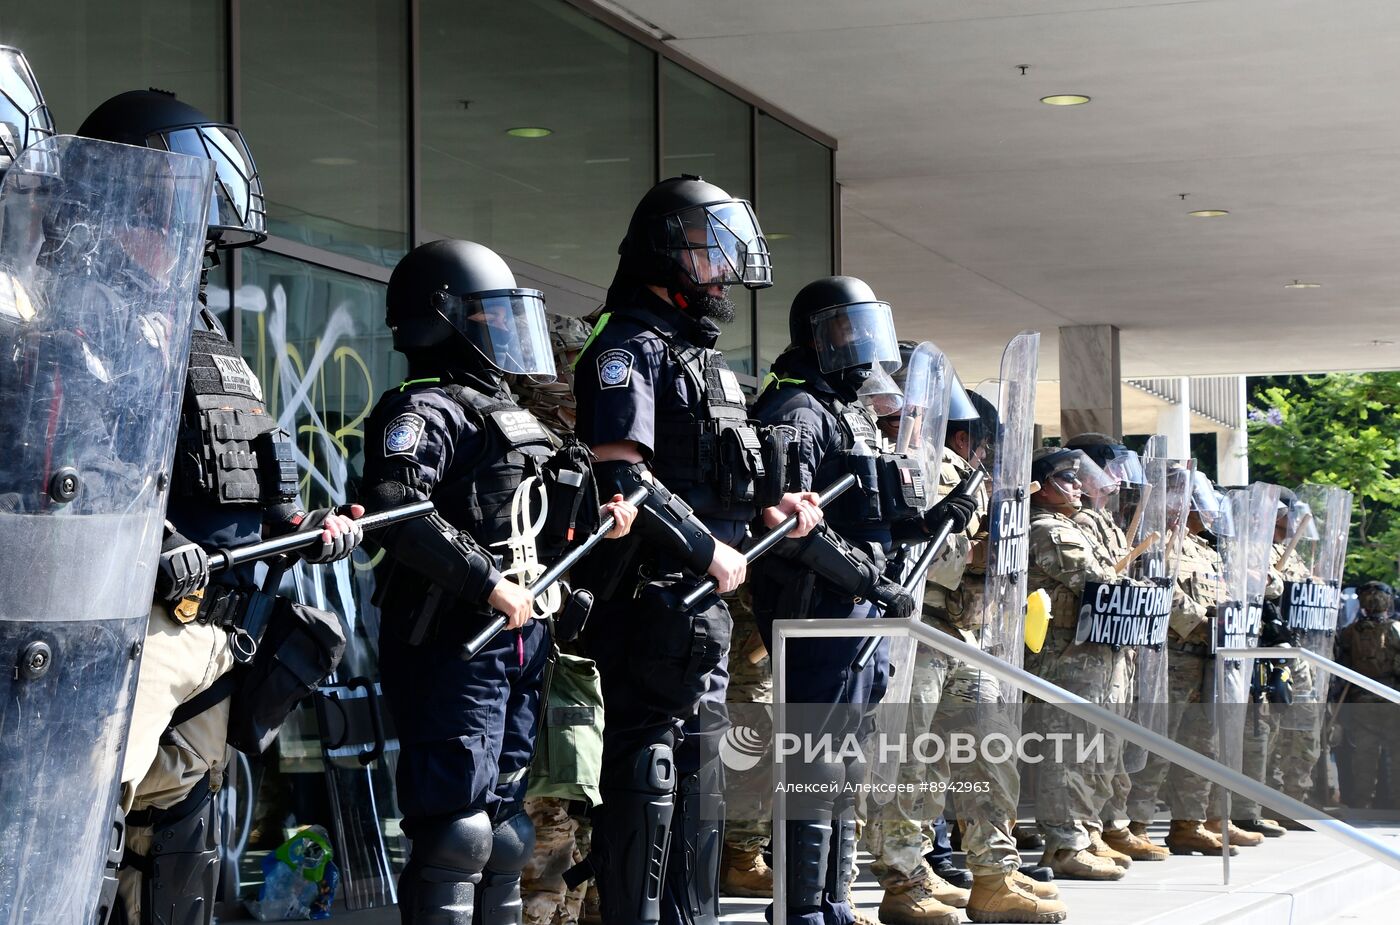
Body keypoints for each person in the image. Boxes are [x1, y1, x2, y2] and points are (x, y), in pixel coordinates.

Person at [77, 89, 367, 925]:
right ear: (129, 195)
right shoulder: (88, 311)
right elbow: (80, 460)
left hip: (221, 625)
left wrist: (308, 526)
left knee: (182, 835)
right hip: (138, 625)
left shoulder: (200, 329)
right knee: (93, 821)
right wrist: (159, 542)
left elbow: (259, 467)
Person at [359, 239, 638, 923]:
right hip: (455, 638)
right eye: (488, 318)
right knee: (458, 827)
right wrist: (489, 582)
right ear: (445, 317)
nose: (503, 333)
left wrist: (601, 517)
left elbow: (537, 511)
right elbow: (399, 508)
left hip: (522, 636)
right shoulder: (421, 408)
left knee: (508, 827)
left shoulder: (510, 413)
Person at [569, 175, 822, 925]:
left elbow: (714, 472)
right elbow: (619, 470)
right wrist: (708, 545)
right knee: (650, 774)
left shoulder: (702, 357)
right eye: (709, 252)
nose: (723, 270)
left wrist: (773, 507)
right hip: (652, 596)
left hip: (705, 606)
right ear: (666, 251)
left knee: (704, 778)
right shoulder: (627, 345)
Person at [750, 275, 978, 925]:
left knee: (847, 762)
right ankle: (799, 907)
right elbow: (791, 529)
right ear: (816, 334)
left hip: (857, 614)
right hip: (816, 608)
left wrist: (939, 517)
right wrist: (871, 582)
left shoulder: (842, 407)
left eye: (865, 329)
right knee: (816, 765)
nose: (862, 346)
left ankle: (833, 899)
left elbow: (869, 516)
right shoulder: (794, 410)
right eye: (847, 331)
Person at [866, 386, 1067, 923]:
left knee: (989, 753)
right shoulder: (918, 468)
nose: (987, 455)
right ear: (962, 436)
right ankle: (904, 884)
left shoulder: (965, 474)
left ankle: (994, 876)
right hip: (917, 629)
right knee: (913, 763)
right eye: (983, 443)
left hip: (962, 633)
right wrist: (986, 536)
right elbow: (928, 559)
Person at [1025, 447, 1136, 880]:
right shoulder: (1048, 528)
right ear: (1044, 488)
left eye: (1077, 479)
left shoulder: (1075, 525)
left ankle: (1087, 834)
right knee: (1069, 751)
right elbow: (1098, 580)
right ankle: (1064, 845)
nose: (1077, 488)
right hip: (1065, 658)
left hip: (1094, 656)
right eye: (1067, 480)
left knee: (1096, 751)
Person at [1335, 581, 1400, 809]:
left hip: (1360, 700)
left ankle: (1361, 802)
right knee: (1393, 755)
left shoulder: (1349, 632)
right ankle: (1393, 804)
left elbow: (1340, 668)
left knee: (1363, 755)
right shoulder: (1396, 629)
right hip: (1390, 699)